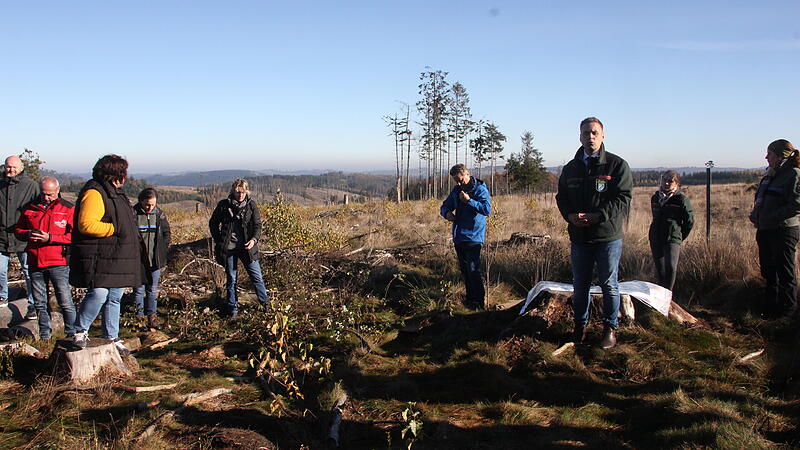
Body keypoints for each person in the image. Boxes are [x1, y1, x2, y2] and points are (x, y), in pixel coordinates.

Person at [556, 117, 632, 349]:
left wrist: (599, 215)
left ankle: (610, 328)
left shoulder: (616, 165)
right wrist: (569, 216)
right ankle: (580, 326)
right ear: (580, 136)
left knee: (609, 284)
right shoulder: (571, 168)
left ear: (603, 135)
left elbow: (623, 198)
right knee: (580, 285)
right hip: (580, 237)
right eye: (586, 133)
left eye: (595, 133)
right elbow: (562, 197)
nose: (590, 137)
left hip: (606, 236)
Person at [70, 155, 141, 351]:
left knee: (114, 296)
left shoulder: (114, 192)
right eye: (122, 173)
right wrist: (113, 229)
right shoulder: (94, 193)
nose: (125, 177)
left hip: (115, 256)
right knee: (99, 293)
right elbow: (86, 224)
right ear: (114, 174)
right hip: (100, 256)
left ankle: (111, 337)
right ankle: (80, 330)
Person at [14, 177, 76, 340]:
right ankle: (44, 335)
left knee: (65, 300)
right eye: (43, 194)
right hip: (35, 261)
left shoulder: (68, 209)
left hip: (58, 262)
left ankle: (72, 333)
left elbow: (73, 236)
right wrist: (27, 234)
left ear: (57, 191)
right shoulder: (29, 208)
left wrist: (50, 238)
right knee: (39, 302)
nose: (46, 197)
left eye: (50, 194)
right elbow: (18, 230)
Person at [750, 139, 800, 319]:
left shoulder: (793, 175)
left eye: (769, 154)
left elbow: (796, 205)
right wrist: (757, 215)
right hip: (765, 230)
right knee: (769, 271)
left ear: (780, 156)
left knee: (785, 272)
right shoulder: (772, 175)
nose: (766, 157)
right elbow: (763, 201)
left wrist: (772, 217)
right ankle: (771, 308)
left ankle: (787, 312)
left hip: (783, 231)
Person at [209, 179, 270, 318]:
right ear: (233, 191)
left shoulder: (251, 205)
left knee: (257, 277)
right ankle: (233, 309)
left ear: (246, 191)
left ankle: (266, 305)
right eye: (237, 192)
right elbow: (213, 223)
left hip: (248, 249)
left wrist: (254, 240)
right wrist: (220, 241)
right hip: (229, 249)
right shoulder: (224, 206)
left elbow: (257, 226)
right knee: (231, 279)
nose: (240, 195)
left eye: (242, 192)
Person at [440, 164, 492, 309]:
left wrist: (469, 201)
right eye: (456, 181)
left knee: (473, 269)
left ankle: (479, 303)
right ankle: (470, 300)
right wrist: (447, 213)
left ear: (467, 174)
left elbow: (487, 209)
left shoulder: (480, 189)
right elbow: (445, 206)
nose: (459, 183)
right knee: (465, 271)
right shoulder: (457, 190)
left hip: (474, 237)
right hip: (459, 236)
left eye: (461, 180)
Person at [0, 155, 39, 317]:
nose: (11, 170)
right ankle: (2, 297)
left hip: (23, 237)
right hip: (1, 236)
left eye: (14, 167)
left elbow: (39, 209)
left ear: (21, 168)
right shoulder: (0, 184)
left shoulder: (30, 186)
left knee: (29, 271)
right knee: (0, 270)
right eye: (8, 166)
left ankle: (33, 304)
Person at [648, 170, 694, 292]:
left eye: (670, 181)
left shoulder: (681, 200)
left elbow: (689, 222)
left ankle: (668, 298)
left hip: (672, 239)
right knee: (660, 271)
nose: (666, 183)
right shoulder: (655, 198)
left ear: (677, 183)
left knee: (671, 268)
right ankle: (659, 301)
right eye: (664, 180)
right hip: (656, 238)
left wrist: (678, 236)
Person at [133, 188, 171, 329]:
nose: (150, 207)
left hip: (155, 260)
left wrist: (163, 249)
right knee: (138, 291)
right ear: (141, 201)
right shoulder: (133, 214)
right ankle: (139, 320)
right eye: (147, 204)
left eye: (153, 205)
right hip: (138, 261)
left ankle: (152, 319)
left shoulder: (159, 214)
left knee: (152, 290)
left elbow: (166, 233)